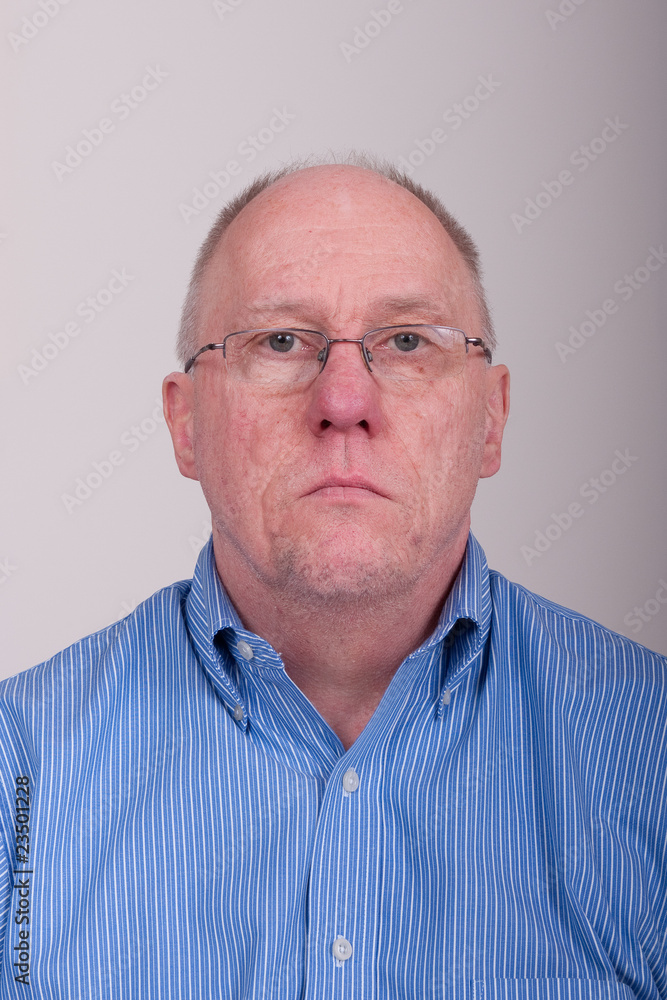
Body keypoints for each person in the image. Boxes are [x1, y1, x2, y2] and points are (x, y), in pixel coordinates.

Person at [0, 158, 665, 999]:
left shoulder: (651, 752)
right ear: (185, 422)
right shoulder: (18, 763)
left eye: (407, 342)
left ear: (490, 420)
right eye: (280, 341)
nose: (344, 401)